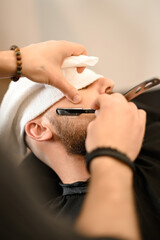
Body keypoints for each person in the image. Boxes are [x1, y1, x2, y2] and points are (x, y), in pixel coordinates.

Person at [0, 39, 148, 240]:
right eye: (84, 85)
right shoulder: (51, 228)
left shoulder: (148, 122)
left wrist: (16, 61)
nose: (109, 83)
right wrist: (112, 154)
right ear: (39, 129)